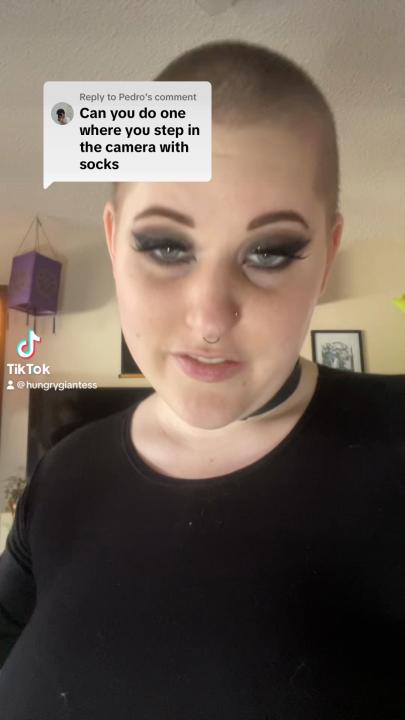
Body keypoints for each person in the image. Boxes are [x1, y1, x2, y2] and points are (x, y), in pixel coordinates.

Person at [0, 40, 404, 719]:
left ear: (326, 257)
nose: (210, 318)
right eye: (165, 246)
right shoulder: (64, 470)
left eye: (269, 252)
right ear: (113, 241)